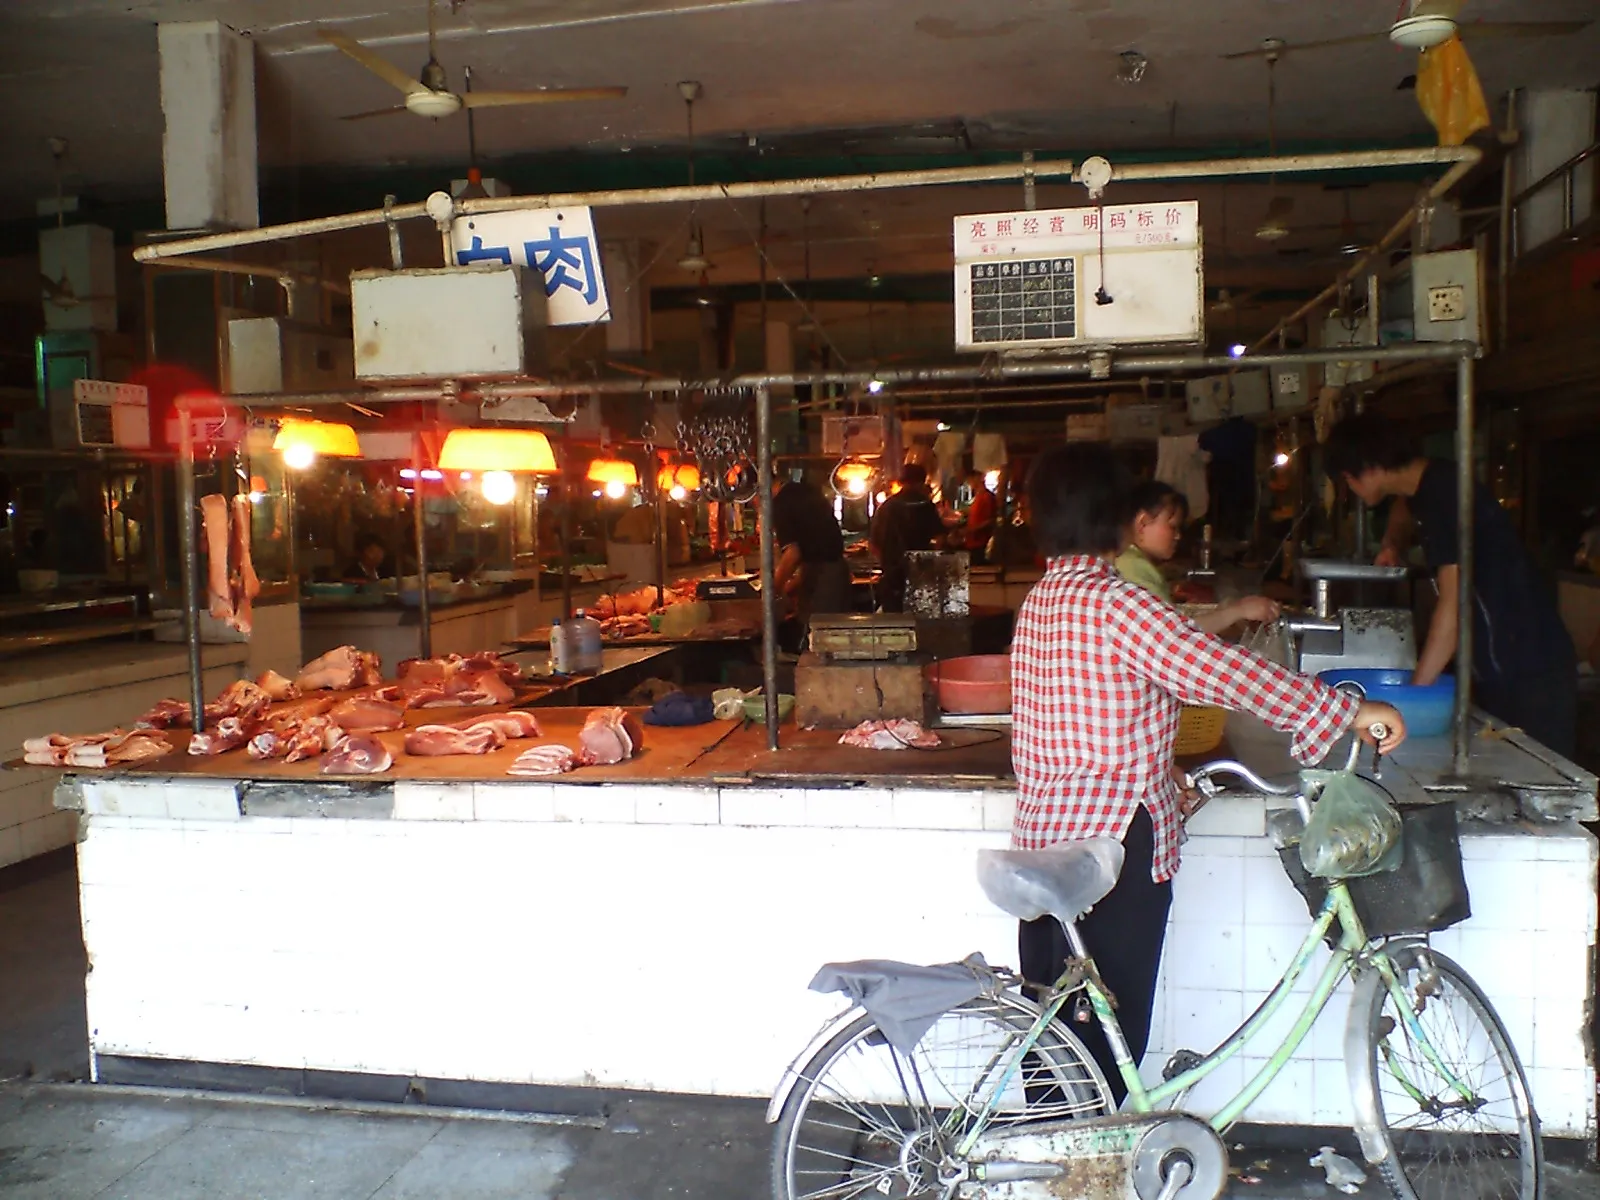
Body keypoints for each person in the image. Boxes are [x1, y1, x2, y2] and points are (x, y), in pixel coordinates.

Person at [1011, 443, 1404, 1104]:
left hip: (1045, 836)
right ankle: (1093, 1157)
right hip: (1112, 845)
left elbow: (1085, 722)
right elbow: (1222, 672)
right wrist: (1347, 709)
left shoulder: (1043, 601)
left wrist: (1162, 778)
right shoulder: (1115, 603)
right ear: (1117, 518)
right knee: (1110, 1036)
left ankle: (1060, 1155)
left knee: (1057, 1033)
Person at [1325, 413, 1577, 756]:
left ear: (1370, 467)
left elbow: (1454, 607)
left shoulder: (1445, 497)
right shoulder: (1428, 484)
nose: (1350, 490)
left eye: (1348, 479)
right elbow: (1402, 509)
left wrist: (1413, 697)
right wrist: (1391, 544)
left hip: (1529, 667)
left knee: (1542, 779)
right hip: (1502, 659)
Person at [1114, 481, 1281, 634]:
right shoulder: (1132, 567)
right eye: (1173, 527)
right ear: (1143, 523)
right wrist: (1238, 610)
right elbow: (1172, 635)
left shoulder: (1135, 562)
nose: (1178, 536)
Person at [771, 472, 851, 628]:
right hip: (837, 572)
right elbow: (814, 543)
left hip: (824, 580)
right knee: (834, 634)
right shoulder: (805, 490)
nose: (755, 505)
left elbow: (793, 554)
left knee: (822, 635)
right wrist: (796, 582)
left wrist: (773, 590)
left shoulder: (781, 502)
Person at [870, 464, 947, 612]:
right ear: (921, 482)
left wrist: (887, 565)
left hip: (892, 577)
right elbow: (940, 540)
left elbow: (873, 545)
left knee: (895, 625)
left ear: (901, 481)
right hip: (920, 575)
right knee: (920, 623)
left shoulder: (886, 506)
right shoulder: (925, 506)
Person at [963, 469, 997, 564]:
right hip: (972, 544)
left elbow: (991, 521)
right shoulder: (977, 497)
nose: (969, 482)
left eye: (971, 479)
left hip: (981, 545)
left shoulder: (987, 497)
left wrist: (972, 529)